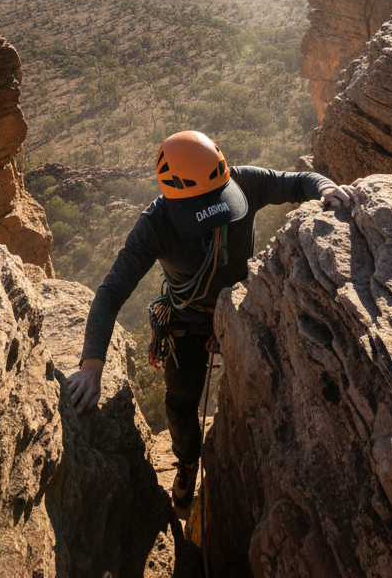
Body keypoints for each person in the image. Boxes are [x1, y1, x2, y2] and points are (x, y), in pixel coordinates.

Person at [66, 130, 355, 510]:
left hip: (244, 310)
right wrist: (91, 366)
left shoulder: (243, 181)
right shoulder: (155, 224)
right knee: (179, 403)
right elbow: (110, 292)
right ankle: (188, 463)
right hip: (187, 323)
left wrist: (325, 188)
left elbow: (298, 181)